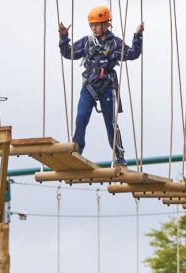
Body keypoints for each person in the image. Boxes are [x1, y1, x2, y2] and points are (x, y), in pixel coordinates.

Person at [58, 6, 144, 166]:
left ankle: (119, 156)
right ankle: (76, 150)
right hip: (89, 86)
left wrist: (137, 35)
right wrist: (64, 36)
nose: (94, 28)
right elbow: (68, 53)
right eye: (92, 25)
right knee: (81, 117)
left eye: (97, 25)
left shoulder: (114, 44)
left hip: (106, 86)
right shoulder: (86, 42)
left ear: (106, 25)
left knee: (111, 124)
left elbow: (132, 54)